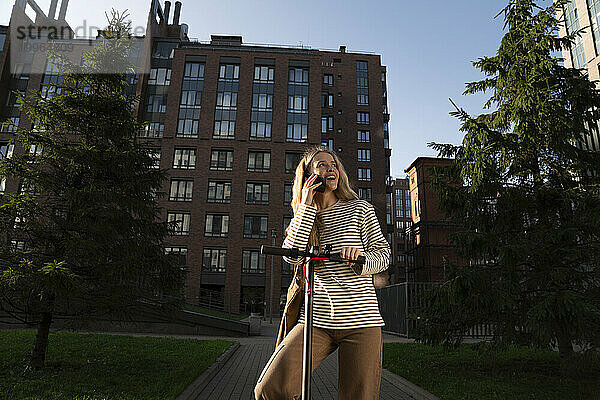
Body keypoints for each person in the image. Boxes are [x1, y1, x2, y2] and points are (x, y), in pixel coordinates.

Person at [254, 146, 391, 400]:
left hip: (361, 322)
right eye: (322, 165)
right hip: (315, 321)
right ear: (308, 176)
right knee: (270, 390)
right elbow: (291, 255)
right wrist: (306, 203)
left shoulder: (360, 209)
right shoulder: (306, 215)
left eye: (334, 164)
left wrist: (361, 260)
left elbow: (384, 256)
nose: (331, 169)